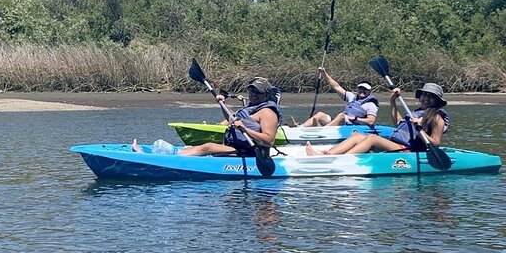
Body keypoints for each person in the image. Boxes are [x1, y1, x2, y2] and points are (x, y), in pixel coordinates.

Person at [132, 77, 282, 157]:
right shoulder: (250, 107)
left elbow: (269, 140)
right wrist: (222, 104)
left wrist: (245, 129)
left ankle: (169, 157)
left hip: (252, 153)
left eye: (258, 92)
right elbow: (232, 118)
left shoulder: (268, 113)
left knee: (208, 146)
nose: (253, 95)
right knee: (199, 147)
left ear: (267, 95)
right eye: (251, 91)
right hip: (236, 148)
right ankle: (171, 153)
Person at [306, 82, 450, 156]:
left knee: (373, 138)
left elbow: (435, 143)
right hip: (398, 144)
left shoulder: (437, 117)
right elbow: (399, 123)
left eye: (430, 96)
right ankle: (328, 154)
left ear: (436, 100)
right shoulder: (417, 112)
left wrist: (420, 130)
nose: (425, 98)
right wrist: (392, 100)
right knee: (357, 135)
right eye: (424, 95)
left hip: (410, 150)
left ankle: (340, 159)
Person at [299, 67, 378, 127]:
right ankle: (301, 127)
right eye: (361, 88)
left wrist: (355, 118)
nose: (362, 91)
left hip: (353, 124)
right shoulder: (351, 97)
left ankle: (324, 130)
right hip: (342, 123)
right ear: (357, 89)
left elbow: (371, 121)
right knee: (320, 114)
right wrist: (324, 74)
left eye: (365, 89)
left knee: (342, 116)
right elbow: (336, 87)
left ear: (369, 91)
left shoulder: (371, 104)